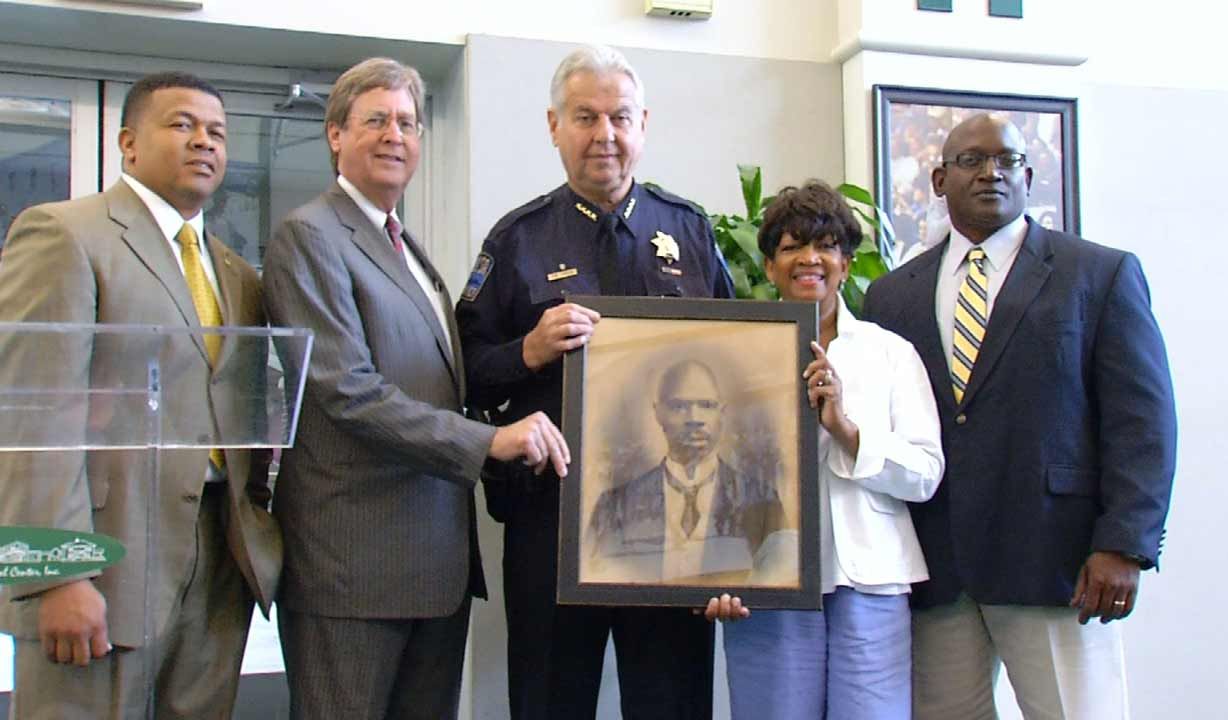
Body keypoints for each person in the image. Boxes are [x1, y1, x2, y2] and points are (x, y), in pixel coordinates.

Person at [260, 57, 569, 720]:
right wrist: (493, 439)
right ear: (335, 135)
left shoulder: (406, 246)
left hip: (433, 569)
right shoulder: (310, 237)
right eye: (375, 120)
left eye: (406, 122)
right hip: (353, 572)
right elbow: (347, 391)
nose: (394, 135)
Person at [862, 114, 1177, 718]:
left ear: (1029, 176)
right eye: (972, 161)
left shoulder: (1099, 274)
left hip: (1059, 564)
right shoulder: (892, 295)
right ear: (937, 179)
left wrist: (1124, 545)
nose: (991, 173)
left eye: (1008, 162)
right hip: (939, 569)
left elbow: (1143, 423)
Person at [456, 44, 733, 720]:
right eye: (585, 117)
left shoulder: (688, 231)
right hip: (551, 518)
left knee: (672, 700)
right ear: (554, 125)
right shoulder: (518, 238)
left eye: (620, 117)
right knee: (551, 699)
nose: (604, 135)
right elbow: (462, 370)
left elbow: (738, 363)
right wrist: (526, 350)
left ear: (644, 125)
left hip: (673, 527)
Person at [0, 71, 280, 718]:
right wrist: (56, 573)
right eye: (182, 125)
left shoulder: (235, 271)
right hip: (106, 554)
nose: (204, 142)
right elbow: (35, 412)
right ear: (128, 143)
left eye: (217, 132)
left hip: (218, 557)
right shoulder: (65, 234)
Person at [707, 180, 945, 719]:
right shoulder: (732, 353)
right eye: (791, 247)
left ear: (846, 261)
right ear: (769, 266)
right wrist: (714, 575)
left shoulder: (891, 354)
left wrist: (845, 429)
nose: (809, 258)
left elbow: (926, 473)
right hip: (765, 582)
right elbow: (709, 476)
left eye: (826, 245)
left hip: (872, 580)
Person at [587, 359, 785, 585]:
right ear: (658, 412)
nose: (694, 419)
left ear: (723, 412)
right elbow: (597, 576)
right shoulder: (614, 507)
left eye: (707, 405)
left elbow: (777, 579)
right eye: (679, 406)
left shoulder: (762, 500)